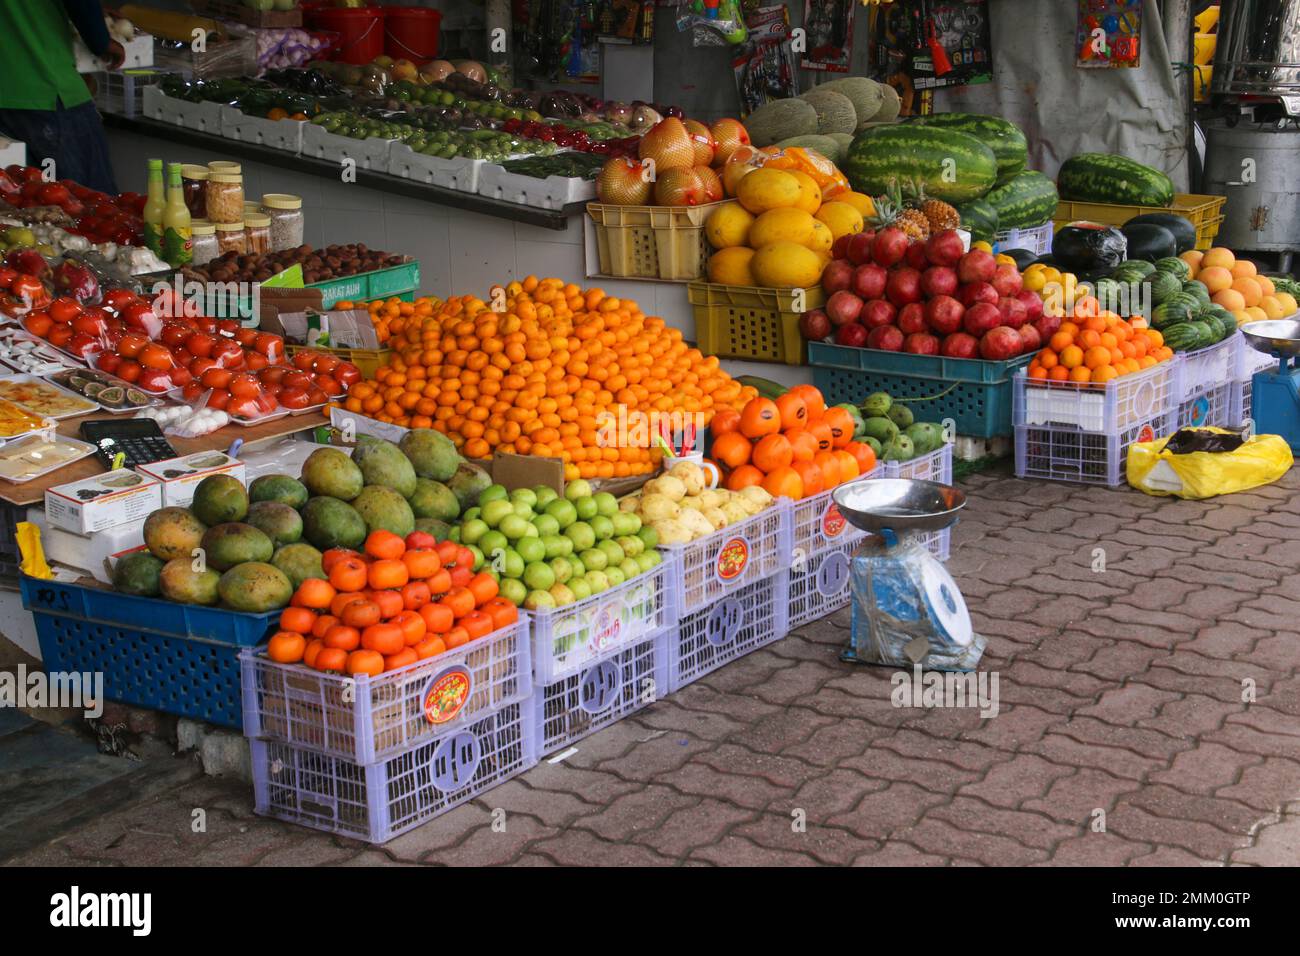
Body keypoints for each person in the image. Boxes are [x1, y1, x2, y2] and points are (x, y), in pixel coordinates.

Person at [0, 0, 124, 194]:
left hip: (10, 89)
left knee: (27, 204)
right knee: (91, 203)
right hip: (45, 83)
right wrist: (101, 39)